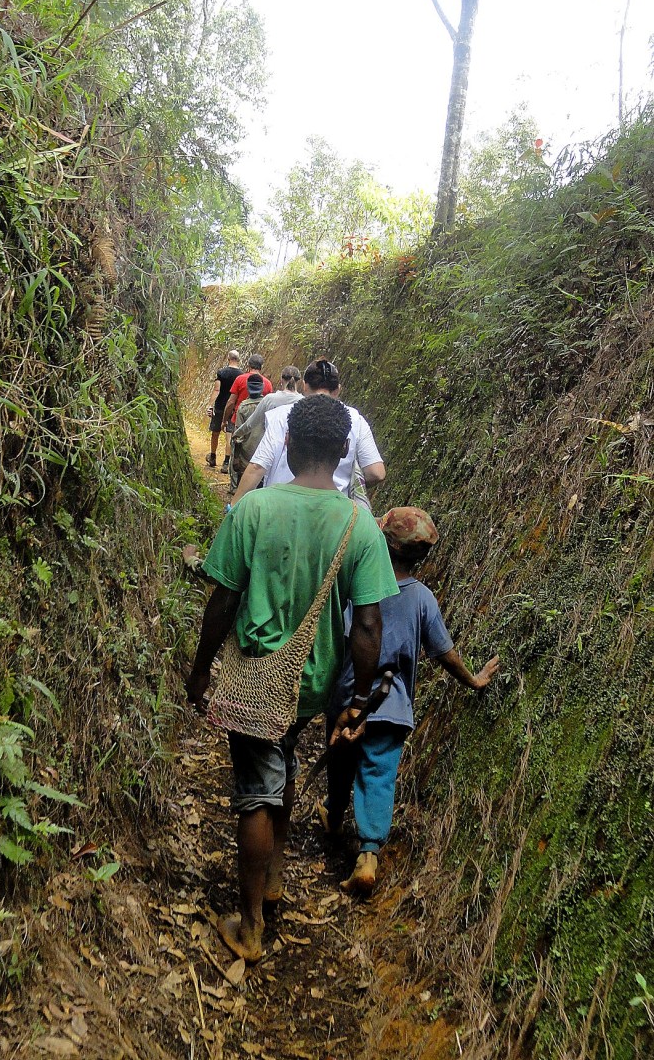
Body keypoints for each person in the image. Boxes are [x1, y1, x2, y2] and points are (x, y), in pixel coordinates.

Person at [186, 395, 399, 962]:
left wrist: (201, 668)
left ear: (287, 444)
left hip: (257, 676)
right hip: (311, 684)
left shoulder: (253, 510)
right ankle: (275, 876)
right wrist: (356, 698)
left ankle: (252, 924)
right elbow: (369, 625)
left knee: (255, 790)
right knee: (280, 758)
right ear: (342, 453)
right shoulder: (360, 525)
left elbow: (223, 599)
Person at [320, 506, 500, 896]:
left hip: (352, 698)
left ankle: (333, 816)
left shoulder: (357, 586)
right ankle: (368, 853)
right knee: (379, 777)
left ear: (381, 543)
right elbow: (444, 653)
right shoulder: (423, 599)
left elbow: (339, 637)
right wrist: (474, 679)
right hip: (394, 706)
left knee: (340, 760)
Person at [231, 358, 385, 504]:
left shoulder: (282, 415)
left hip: (280, 507)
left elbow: (257, 467)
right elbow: (376, 473)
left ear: (304, 386)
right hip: (334, 513)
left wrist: (234, 505)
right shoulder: (355, 420)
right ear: (338, 389)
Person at [231, 365, 301, 454]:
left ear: (281, 380)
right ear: (299, 381)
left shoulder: (270, 399)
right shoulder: (303, 401)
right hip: (292, 451)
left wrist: (237, 433)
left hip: (270, 448)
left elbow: (251, 423)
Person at [220, 354, 273, 473]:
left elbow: (231, 402)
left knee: (236, 451)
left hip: (239, 420)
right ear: (261, 366)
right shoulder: (267, 384)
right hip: (258, 424)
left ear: (248, 365)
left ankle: (234, 484)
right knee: (255, 451)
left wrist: (224, 420)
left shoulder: (240, 379)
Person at [228, 373, 264, 496]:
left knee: (243, 490)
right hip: (262, 454)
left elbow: (238, 436)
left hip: (245, 455)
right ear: (262, 387)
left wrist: (236, 458)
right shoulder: (268, 406)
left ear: (248, 388)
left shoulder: (243, 407)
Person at [206, 350, 242, 470]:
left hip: (220, 406)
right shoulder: (241, 375)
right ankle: (226, 463)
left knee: (215, 432)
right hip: (233, 408)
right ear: (238, 359)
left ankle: (212, 457)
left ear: (228, 358)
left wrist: (210, 405)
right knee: (229, 434)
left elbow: (217, 390)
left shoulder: (221, 373)